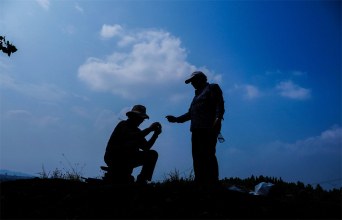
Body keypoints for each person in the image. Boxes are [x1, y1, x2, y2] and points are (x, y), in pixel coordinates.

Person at [166, 71, 225, 184]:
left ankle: (212, 182)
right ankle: (199, 181)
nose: (192, 83)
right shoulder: (196, 96)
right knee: (197, 156)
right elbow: (190, 114)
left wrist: (218, 118)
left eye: (193, 81)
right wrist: (177, 119)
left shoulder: (211, 87)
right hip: (196, 129)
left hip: (208, 127)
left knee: (208, 154)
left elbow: (219, 102)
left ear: (201, 79)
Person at [104, 105, 162, 184]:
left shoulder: (137, 131)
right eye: (140, 118)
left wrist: (155, 134)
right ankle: (122, 172)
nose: (141, 121)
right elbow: (132, 136)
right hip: (113, 157)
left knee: (152, 154)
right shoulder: (123, 124)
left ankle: (142, 180)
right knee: (134, 143)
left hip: (128, 159)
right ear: (132, 116)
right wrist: (149, 129)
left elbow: (146, 147)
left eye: (142, 119)